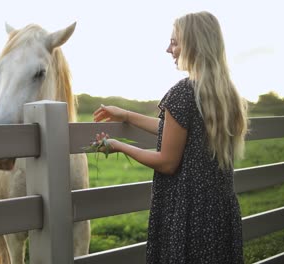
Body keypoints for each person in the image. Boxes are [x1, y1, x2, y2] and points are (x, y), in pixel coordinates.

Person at [92, 11, 248, 263]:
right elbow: (179, 132)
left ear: (194, 45)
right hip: (218, 211)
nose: (168, 49)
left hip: (188, 214)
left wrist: (119, 145)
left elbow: (167, 161)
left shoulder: (183, 93)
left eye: (175, 42)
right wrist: (127, 116)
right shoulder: (224, 93)